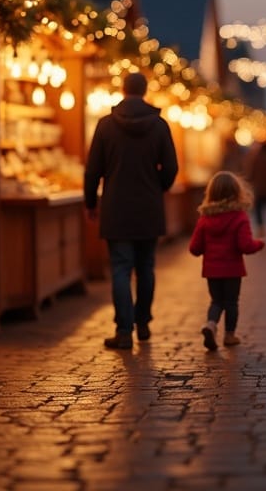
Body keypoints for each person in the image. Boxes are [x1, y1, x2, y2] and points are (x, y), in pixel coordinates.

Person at [85, 71, 179, 350]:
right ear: (145, 90)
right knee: (146, 267)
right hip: (149, 208)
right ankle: (144, 322)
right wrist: (157, 187)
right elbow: (171, 168)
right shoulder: (160, 126)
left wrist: (91, 202)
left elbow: (93, 170)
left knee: (120, 268)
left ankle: (124, 330)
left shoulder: (105, 125)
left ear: (123, 90)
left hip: (116, 207)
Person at [189, 171, 266, 350]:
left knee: (216, 301)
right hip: (232, 270)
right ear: (236, 192)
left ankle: (210, 324)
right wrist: (260, 243)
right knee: (231, 302)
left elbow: (194, 248)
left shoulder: (205, 218)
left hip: (212, 270)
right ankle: (229, 336)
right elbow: (246, 246)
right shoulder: (239, 217)